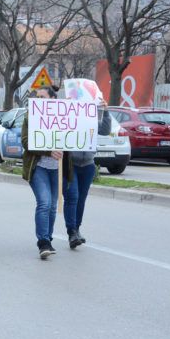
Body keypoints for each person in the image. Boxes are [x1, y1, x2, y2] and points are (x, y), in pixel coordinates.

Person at [21, 86, 72, 259]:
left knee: (52, 207)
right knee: (44, 202)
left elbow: (76, 134)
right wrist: (48, 151)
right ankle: (43, 242)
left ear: (53, 98)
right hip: (39, 168)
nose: (39, 100)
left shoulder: (64, 115)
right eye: (38, 97)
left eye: (43, 97)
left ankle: (48, 239)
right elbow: (26, 141)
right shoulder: (30, 115)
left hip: (57, 169)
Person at [63, 98, 112, 249]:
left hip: (88, 165)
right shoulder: (67, 120)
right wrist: (66, 109)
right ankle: (71, 232)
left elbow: (105, 130)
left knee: (81, 199)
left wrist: (105, 111)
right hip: (71, 165)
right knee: (73, 197)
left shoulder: (91, 121)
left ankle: (77, 229)